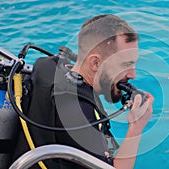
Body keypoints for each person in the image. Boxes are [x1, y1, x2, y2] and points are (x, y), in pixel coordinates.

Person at [12, 14, 154, 169]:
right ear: (95, 62)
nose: (132, 74)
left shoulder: (49, 66)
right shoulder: (78, 112)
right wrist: (136, 127)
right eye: (126, 64)